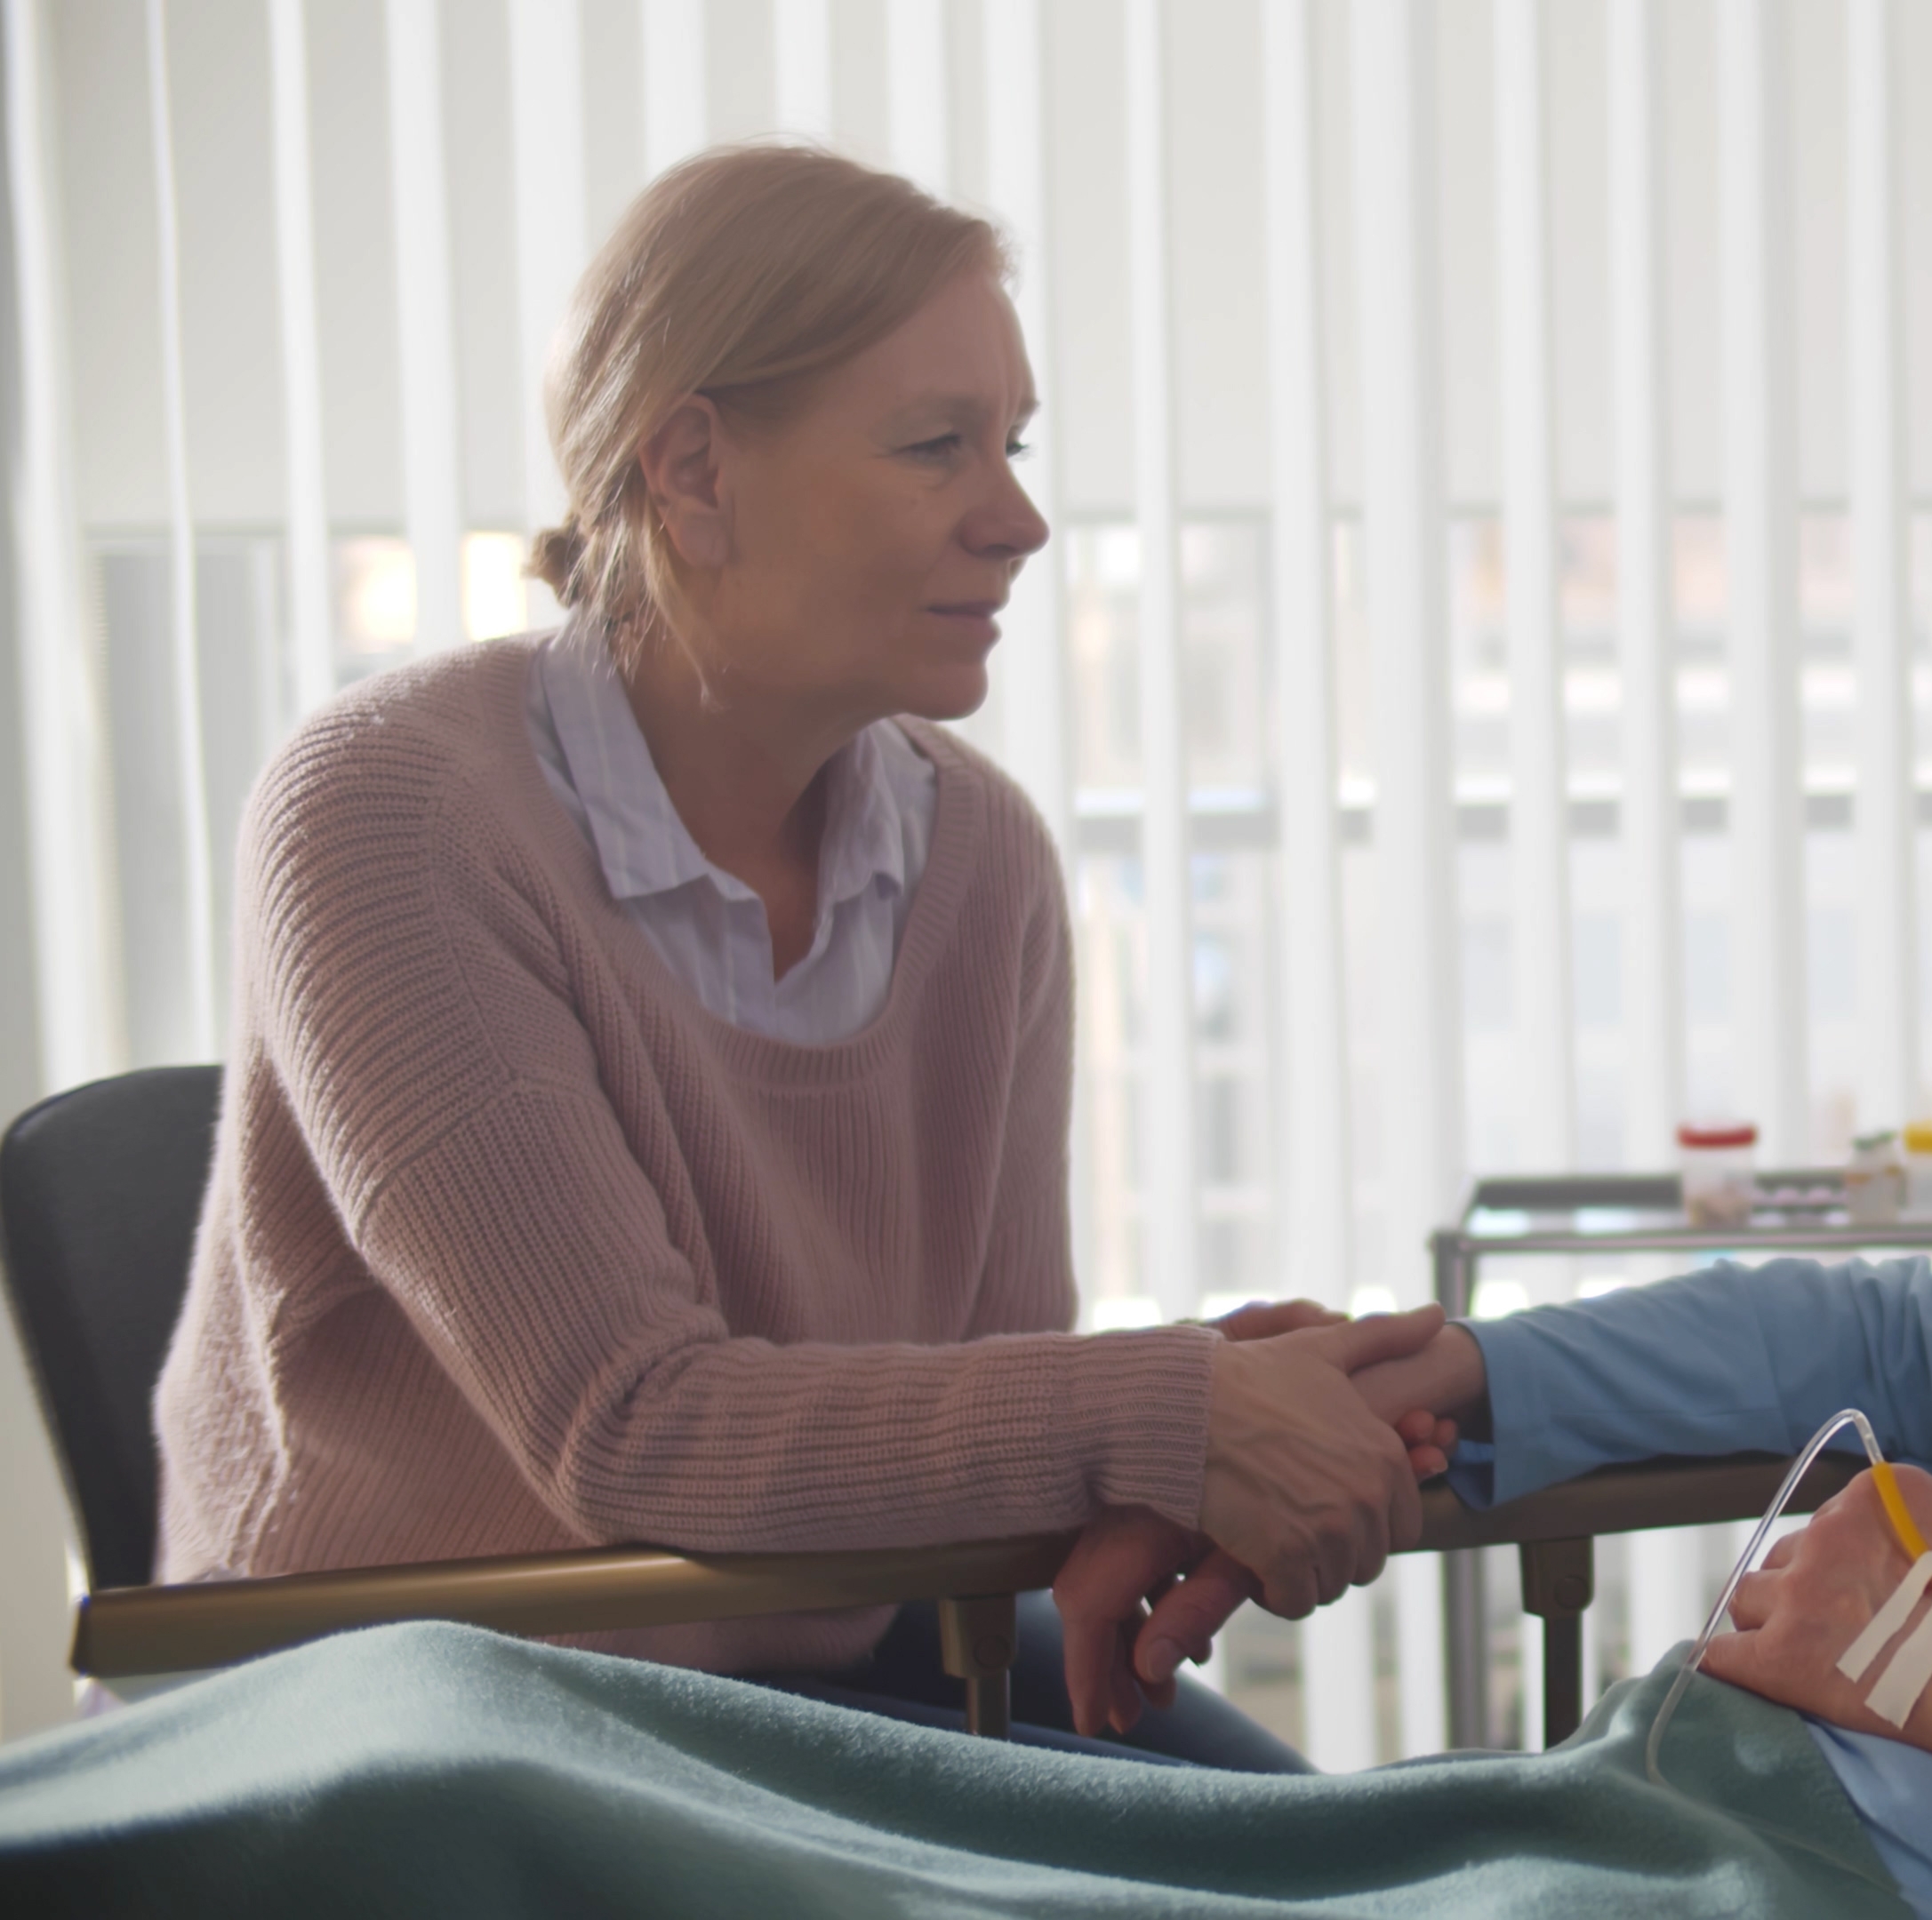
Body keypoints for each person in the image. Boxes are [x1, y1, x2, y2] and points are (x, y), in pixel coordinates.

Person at [33, 455, 1932, 1919]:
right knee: (461, 1710)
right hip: (1659, 1815)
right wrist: (1398, 1404)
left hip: (1813, 1887)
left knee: (440, 1813)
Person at [148, 143, 1439, 1767]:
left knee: (1328, 1856)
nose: (1021, 518)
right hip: (396, 1706)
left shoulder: (982, 859)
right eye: (935, 448)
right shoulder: (393, 817)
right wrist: (1162, 1412)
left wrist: (1243, 1397)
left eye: (1014, 445)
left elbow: (988, 1407)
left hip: (800, 1660)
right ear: (690, 471)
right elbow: (630, 1430)